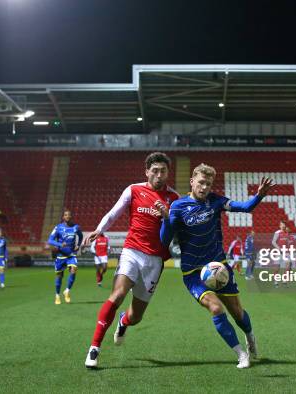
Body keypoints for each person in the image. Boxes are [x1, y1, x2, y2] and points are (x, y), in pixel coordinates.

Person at [160, 163, 275, 368]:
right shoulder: (178, 206)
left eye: (209, 184)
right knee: (215, 307)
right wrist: (167, 220)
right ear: (192, 181)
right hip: (193, 272)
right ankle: (241, 354)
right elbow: (164, 239)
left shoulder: (216, 201)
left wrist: (259, 196)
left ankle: (250, 337)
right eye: (201, 182)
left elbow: (245, 207)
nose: (205, 187)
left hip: (218, 267)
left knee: (237, 312)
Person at [84, 152, 179, 369]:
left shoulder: (174, 199)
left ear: (168, 173)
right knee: (117, 294)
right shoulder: (134, 189)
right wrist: (99, 229)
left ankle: (123, 322)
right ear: (147, 172)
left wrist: (166, 216)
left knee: (136, 317)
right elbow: (114, 212)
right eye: (154, 170)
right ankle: (94, 348)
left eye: (163, 171)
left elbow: (174, 233)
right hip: (132, 251)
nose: (158, 174)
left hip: (155, 260)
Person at [47, 210, 82, 305]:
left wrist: (78, 245)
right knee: (59, 276)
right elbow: (50, 240)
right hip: (60, 256)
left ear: (71, 217)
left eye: (69, 215)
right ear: (63, 217)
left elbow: (81, 236)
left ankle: (67, 291)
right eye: (66, 215)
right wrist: (59, 244)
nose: (67, 216)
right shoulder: (58, 228)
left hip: (71, 255)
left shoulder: (76, 227)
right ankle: (57, 295)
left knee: (74, 269)